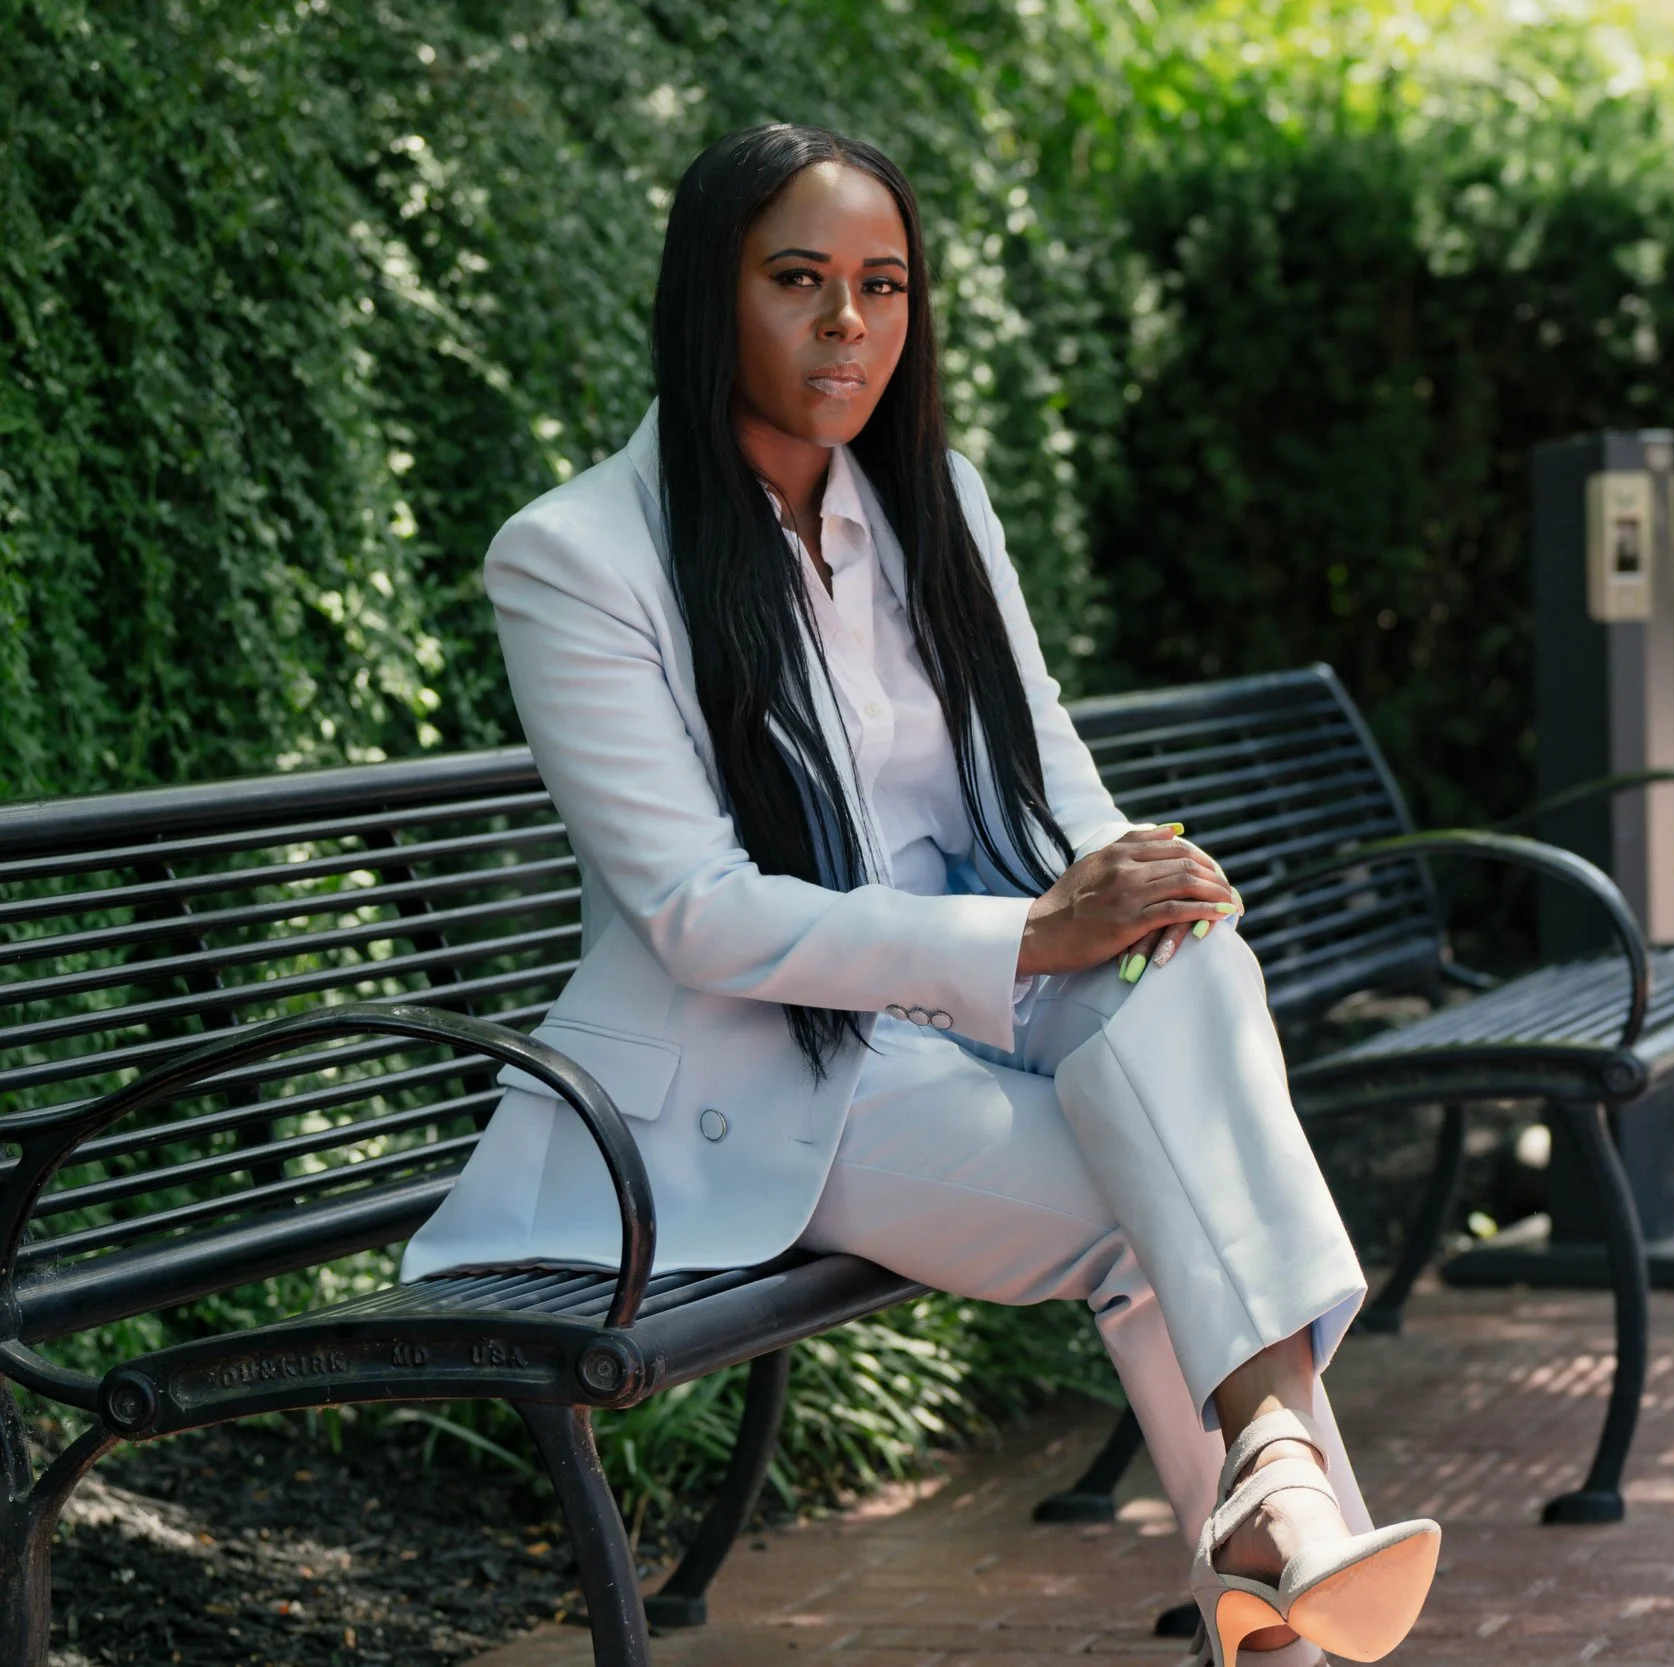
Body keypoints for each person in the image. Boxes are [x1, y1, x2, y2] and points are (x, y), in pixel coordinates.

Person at [398, 123, 1440, 1666]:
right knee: (1169, 1200)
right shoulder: (577, 557)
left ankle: (1274, 1502)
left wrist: (1142, 898)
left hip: (964, 1014)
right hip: (751, 1077)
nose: (849, 324)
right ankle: (1281, 1548)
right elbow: (695, 912)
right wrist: (1037, 933)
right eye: (799, 281)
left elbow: (1050, 780)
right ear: (710, 297)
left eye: (882, 285)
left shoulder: (930, 498)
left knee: (1190, 972)